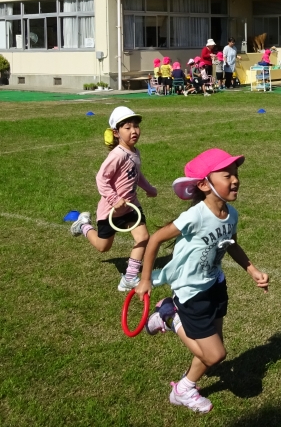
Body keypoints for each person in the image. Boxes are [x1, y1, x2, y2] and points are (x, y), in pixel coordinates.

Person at [135, 148, 269, 414]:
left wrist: (252, 270)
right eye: (227, 174)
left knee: (212, 353)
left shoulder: (231, 214)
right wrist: (145, 279)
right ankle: (171, 323)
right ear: (204, 184)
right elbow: (156, 239)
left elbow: (231, 244)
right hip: (192, 291)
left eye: (236, 173)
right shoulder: (195, 215)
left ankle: (171, 326)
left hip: (215, 284)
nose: (235, 179)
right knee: (215, 355)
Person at [70, 106, 157, 291]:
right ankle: (84, 225)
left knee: (143, 237)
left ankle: (129, 277)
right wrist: (113, 198)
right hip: (111, 210)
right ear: (116, 133)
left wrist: (149, 189)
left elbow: (137, 174)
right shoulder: (117, 155)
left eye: (136, 126)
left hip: (131, 206)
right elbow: (101, 178)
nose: (134, 131)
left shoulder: (135, 152)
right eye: (128, 127)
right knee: (103, 247)